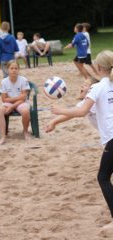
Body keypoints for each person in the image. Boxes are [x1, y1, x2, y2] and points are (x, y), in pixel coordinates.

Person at [50, 50, 113, 229]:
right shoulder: (102, 86)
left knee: (103, 178)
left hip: (112, 138)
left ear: (98, 67)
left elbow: (81, 111)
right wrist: (56, 120)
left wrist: (58, 110)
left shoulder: (98, 87)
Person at [0, 60, 31, 145]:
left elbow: (23, 98)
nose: (14, 70)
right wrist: (17, 98)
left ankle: (25, 132)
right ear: (8, 70)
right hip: (12, 102)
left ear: (18, 69)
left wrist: (12, 106)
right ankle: (3, 136)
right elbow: (4, 99)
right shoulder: (4, 81)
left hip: (21, 103)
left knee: (26, 111)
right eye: (11, 68)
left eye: (16, 68)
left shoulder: (23, 80)